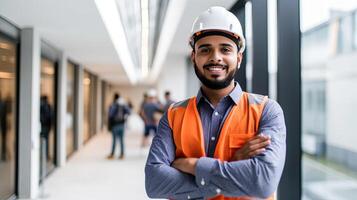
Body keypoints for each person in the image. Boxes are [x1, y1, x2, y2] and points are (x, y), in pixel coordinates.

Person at [145, 6, 286, 200]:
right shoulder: (173, 115)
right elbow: (154, 183)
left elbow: (262, 182)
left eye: (225, 49)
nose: (215, 57)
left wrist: (193, 165)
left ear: (238, 58)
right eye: (205, 49)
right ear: (194, 57)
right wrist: (233, 164)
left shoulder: (266, 110)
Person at [107, 93, 131, 159]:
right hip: (122, 125)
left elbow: (110, 115)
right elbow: (129, 112)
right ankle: (122, 155)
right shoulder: (123, 105)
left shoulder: (113, 105)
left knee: (114, 140)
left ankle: (112, 155)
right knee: (121, 140)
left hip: (115, 125)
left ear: (114, 98)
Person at [40, 95, 54, 160]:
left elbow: (51, 116)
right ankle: (44, 155)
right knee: (45, 141)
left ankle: (45, 155)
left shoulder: (47, 106)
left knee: (45, 141)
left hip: (45, 126)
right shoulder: (46, 106)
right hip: (44, 126)